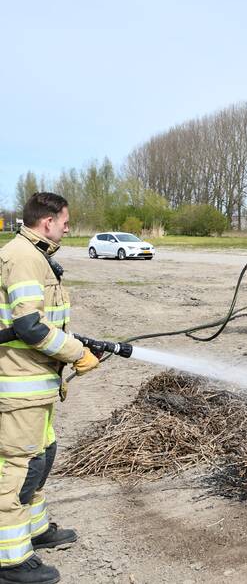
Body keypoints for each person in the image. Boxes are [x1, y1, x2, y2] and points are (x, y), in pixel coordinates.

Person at [0, 192, 99, 584]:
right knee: (17, 467)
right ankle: (9, 559)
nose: (68, 227)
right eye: (65, 221)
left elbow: (43, 319)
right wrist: (76, 353)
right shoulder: (24, 257)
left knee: (42, 455)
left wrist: (78, 345)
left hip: (38, 384)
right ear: (47, 221)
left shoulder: (34, 253)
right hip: (20, 384)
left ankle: (35, 529)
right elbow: (30, 327)